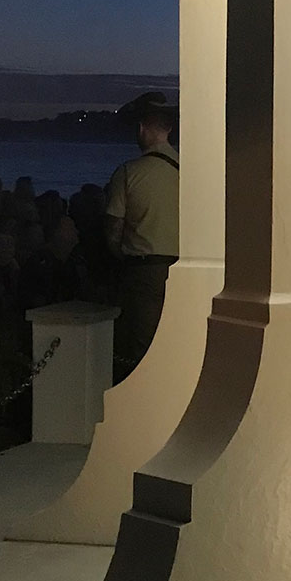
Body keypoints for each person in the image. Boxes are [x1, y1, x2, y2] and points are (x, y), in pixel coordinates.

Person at [105, 91, 179, 381]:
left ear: (140, 128)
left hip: (144, 272)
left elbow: (113, 231)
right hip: (183, 270)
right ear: (169, 129)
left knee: (141, 348)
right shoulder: (188, 172)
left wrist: (120, 256)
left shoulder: (128, 173)